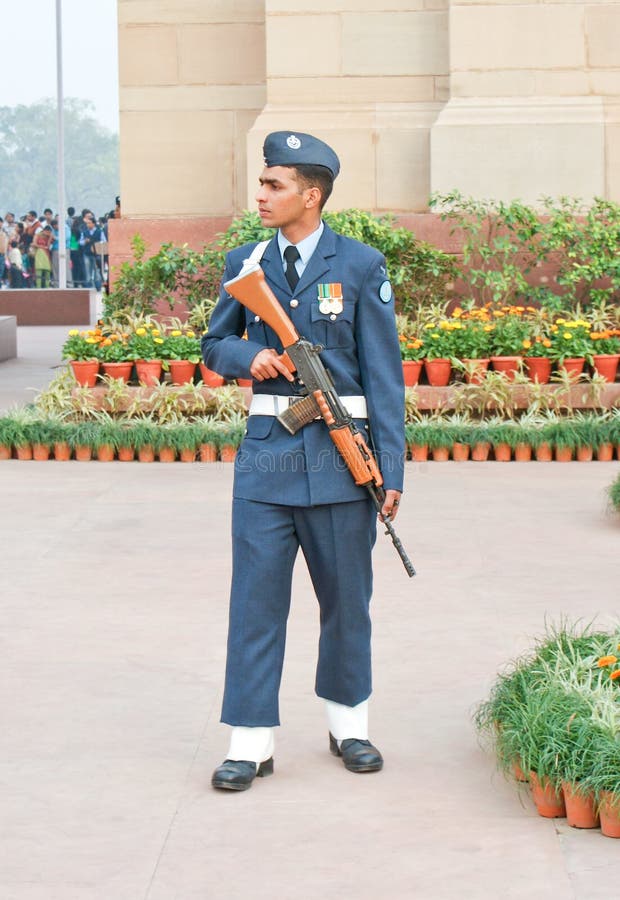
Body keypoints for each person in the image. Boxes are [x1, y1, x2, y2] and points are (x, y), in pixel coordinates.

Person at [202, 131, 405, 792]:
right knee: (254, 604)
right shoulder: (246, 262)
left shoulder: (361, 266)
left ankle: (350, 726)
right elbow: (213, 344)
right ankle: (249, 740)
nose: (261, 195)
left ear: (310, 196)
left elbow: (385, 375)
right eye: (262, 183)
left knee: (347, 602)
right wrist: (249, 356)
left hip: (343, 465)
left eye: (274, 185)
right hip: (267, 462)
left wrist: (390, 469)